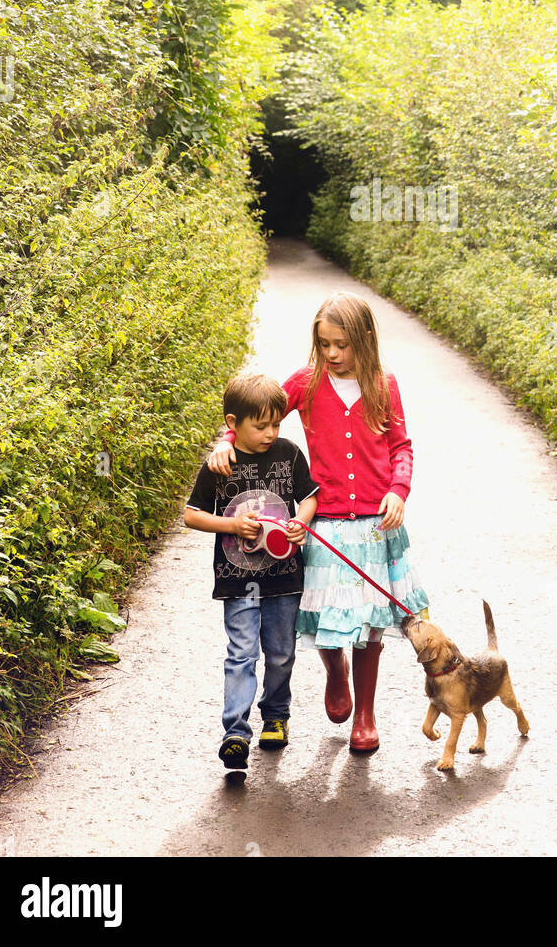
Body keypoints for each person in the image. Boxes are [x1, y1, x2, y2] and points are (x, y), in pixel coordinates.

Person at [204, 292, 429, 755]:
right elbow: (258, 409)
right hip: (322, 523)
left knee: (370, 623)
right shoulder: (306, 383)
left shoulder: (384, 385)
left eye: (342, 344)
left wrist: (397, 490)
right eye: (324, 343)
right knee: (328, 615)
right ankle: (335, 673)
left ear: (364, 340)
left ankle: (365, 714)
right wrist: (227, 439)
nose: (332, 353)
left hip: (374, 523)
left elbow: (401, 446)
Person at [184, 371, 318, 771]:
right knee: (241, 654)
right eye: (260, 426)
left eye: (276, 424)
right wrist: (231, 526)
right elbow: (191, 515)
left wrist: (301, 524)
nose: (270, 433)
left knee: (280, 654)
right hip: (237, 580)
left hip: (284, 579)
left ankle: (276, 716)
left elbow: (309, 497)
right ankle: (235, 733)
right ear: (232, 425)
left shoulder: (289, 454)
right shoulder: (219, 466)